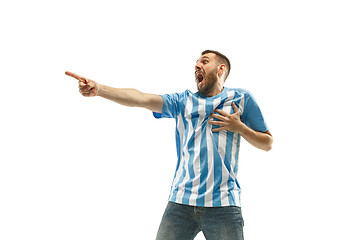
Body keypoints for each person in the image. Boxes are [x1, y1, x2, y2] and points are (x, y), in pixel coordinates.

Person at [65, 50, 273, 240]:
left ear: (221, 69)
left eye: (205, 61)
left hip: (224, 204)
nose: (197, 65)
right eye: (196, 62)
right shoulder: (182, 101)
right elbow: (140, 98)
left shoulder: (240, 98)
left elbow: (267, 143)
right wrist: (99, 89)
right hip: (180, 202)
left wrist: (240, 128)